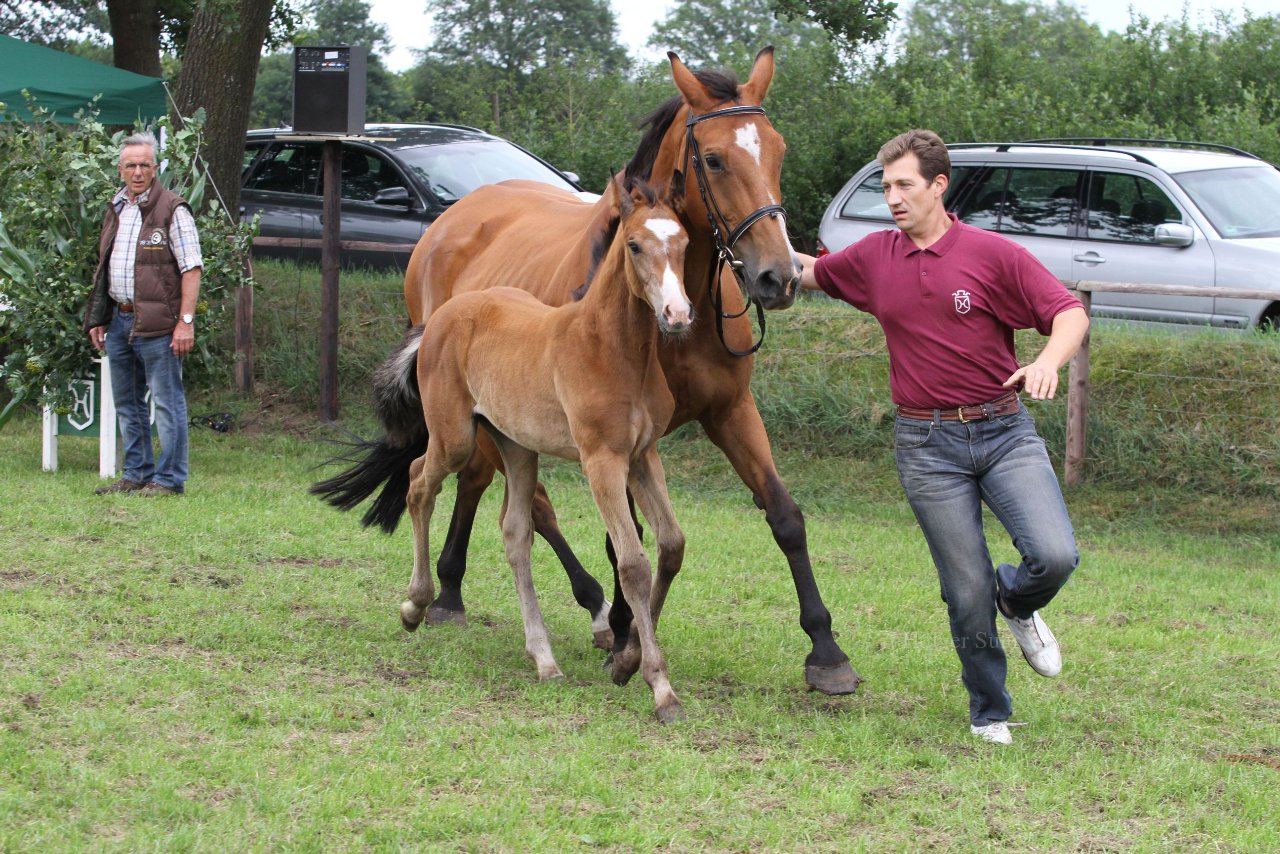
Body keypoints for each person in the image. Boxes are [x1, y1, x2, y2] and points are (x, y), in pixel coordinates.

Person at [796, 129, 1089, 746]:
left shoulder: (990, 255)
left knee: (1056, 555)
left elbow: (1069, 313)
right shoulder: (876, 257)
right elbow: (810, 272)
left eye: (905, 185)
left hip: (1005, 430)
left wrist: (1048, 362)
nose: (893, 198)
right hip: (927, 448)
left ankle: (1018, 601)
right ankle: (990, 710)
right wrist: (742, 244)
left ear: (938, 185)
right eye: (886, 187)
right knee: (965, 589)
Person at [83, 131, 203, 496]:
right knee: (128, 403)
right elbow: (106, 267)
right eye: (131, 165)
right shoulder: (117, 207)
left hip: (160, 326)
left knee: (167, 404)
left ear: (155, 169)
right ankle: (135, 474)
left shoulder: (172, 209)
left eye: (144, 165)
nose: (137, 171)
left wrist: (185, 323)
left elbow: (192, 268)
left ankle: (169, 480)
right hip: (120, 320)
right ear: (120, 170)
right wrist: (99, 317)